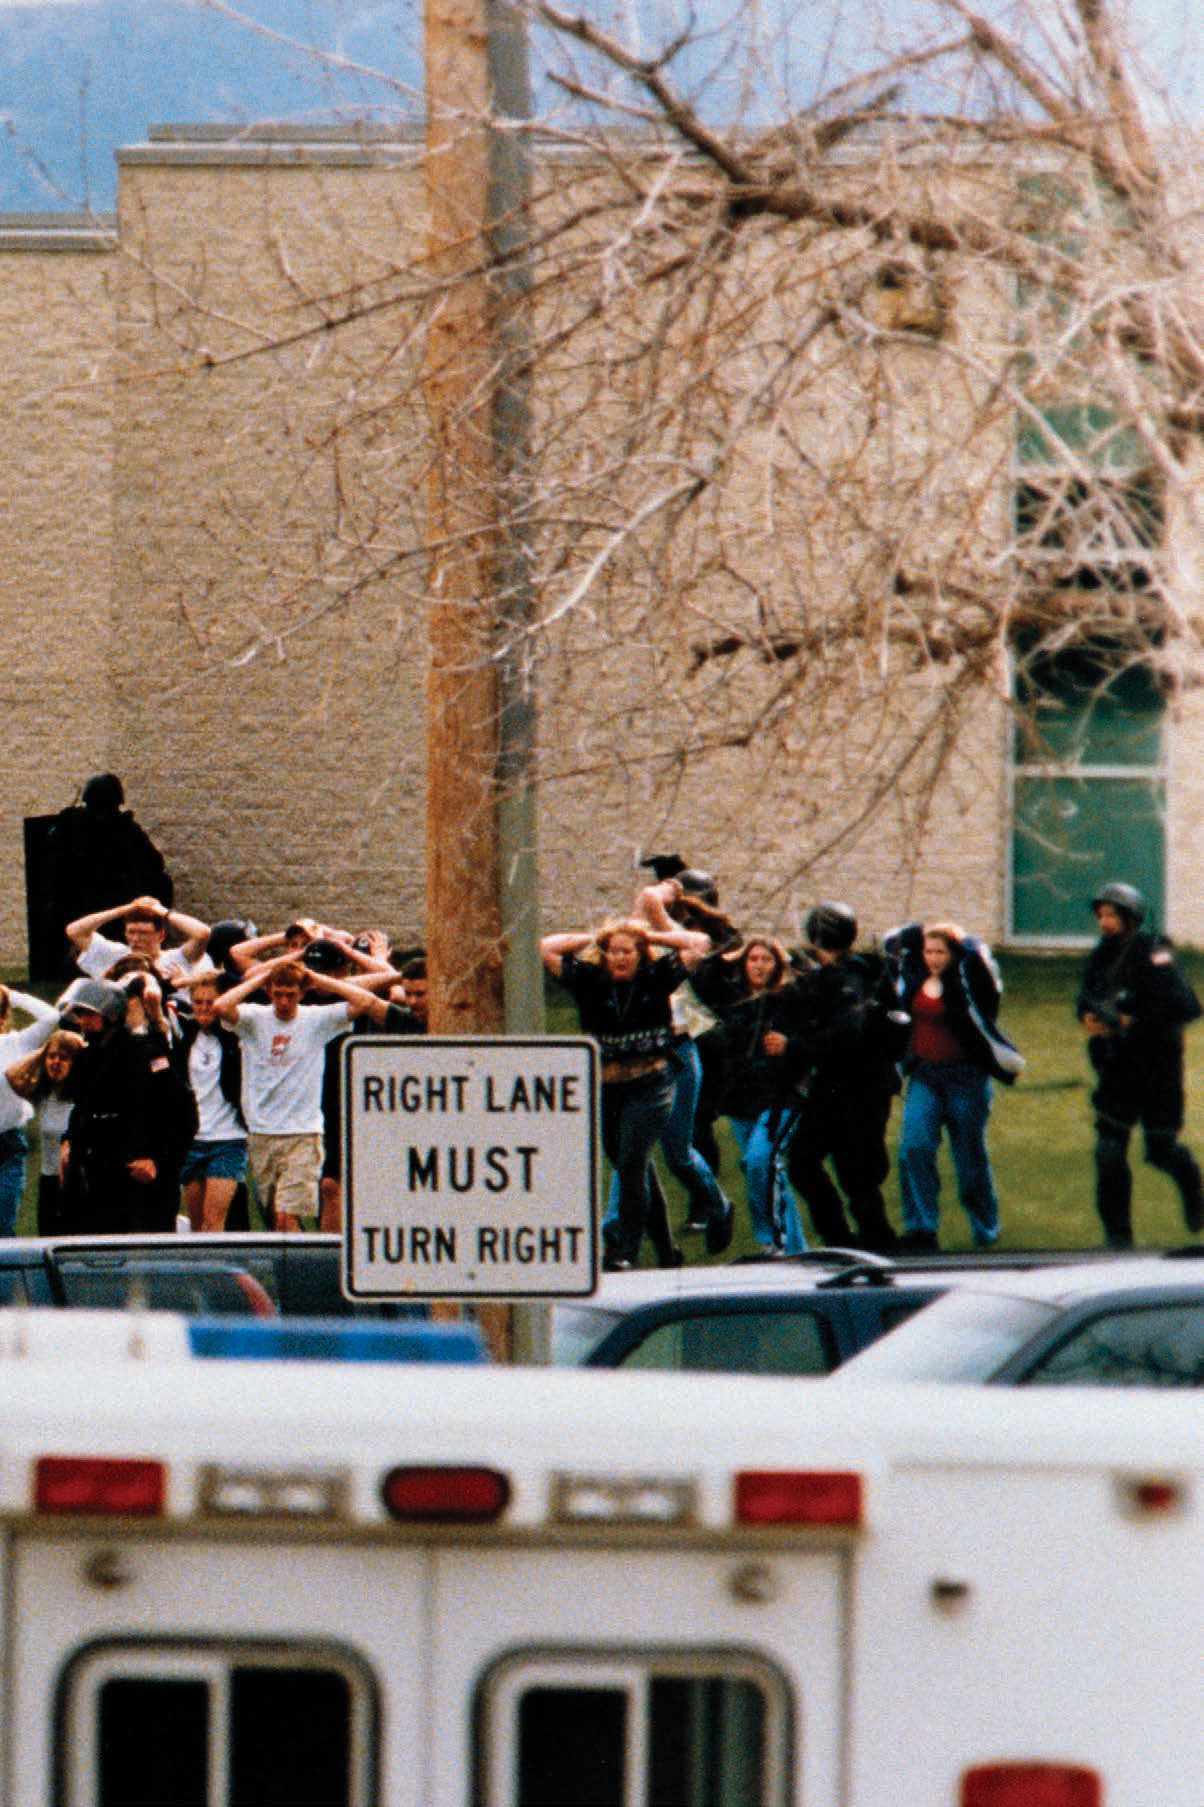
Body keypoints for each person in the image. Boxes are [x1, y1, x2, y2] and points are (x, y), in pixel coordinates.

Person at [541, 913, 710, 1270]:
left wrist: (650, 934)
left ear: (640, 954)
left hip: (652, 1084)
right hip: (609, 1087)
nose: (620, 958)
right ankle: (667, 1250)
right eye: (613, 951)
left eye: (628, 951)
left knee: (632, 1164)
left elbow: (699, 943)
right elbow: (546, 948)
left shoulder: (656, 976)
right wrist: (593, 936)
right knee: (633, 1166)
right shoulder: (590, 980)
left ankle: (624, 1252)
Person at [1077, 881, 1204, 1248]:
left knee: (1161, 1151)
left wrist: (1136, 1021)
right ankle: (1118, 1237)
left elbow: (1187, 1006)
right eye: (1100, 914)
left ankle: (1193, 1189)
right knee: (1109, 1153)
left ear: (1131, 916)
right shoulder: (1100, 956)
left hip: (1156, 1072)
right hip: (1116, 1072)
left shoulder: (1154, 952)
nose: (1104, 921)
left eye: (1112, 914)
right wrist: (1090, 1019)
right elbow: (1085, 1000)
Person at [885, 918, 1024, 1253]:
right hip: (926, 1077)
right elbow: (891, 951)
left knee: (969, 1157)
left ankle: (985, 1227)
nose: (933, 957)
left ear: (953, 954)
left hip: (966, 1079)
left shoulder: (968, 982)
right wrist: (909, 936)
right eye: (928, 951)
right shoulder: (914, 977)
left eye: (940, 952)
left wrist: (968, 948)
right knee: (914, 1149)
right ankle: (921, 1229)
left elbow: (989, 987)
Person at [215, 952, 377, 1231]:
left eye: (290, 994)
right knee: (273, 1221)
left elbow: (364, 1002)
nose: (283, 1002)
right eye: (277, 994)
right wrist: (260, 980)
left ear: (302, 993)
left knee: (286, 1216)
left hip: (303, 1132)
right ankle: (294, 1271)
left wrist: (319, 980)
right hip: (263, 1131)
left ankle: (303, 1270)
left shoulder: (316, 1019)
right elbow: (222, 1006)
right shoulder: (255, 1018)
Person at [778, 903, 903, 1255]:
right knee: (809, 1160)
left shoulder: (847, 978)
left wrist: (795, 1046)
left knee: (850, 1171)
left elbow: (846, 1032)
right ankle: (846, 1239)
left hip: (855, 1086)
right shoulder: (868, 971)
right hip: (853, 1083)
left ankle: (869, 1242)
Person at [714, 935, 807, 1257]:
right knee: (768, 1172)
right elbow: (705, 973)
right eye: (753, 959)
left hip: (780, 1096)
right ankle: (796, 1248)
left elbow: (810, 1031)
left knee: (759, 1162)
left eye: (766, 959)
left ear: (778, 965)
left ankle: (772, 1241)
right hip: (741, 1098)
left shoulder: (791, 999)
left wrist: (789, 1042)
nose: (759, 965)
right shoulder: (732, 999)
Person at [44, 774, 174, 974]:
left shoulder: (117, 829)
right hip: (90, 903)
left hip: (113, 903)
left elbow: (153, 866)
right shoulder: (81, 827)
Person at [178, 974, 248, 1232]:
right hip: (192, 1139)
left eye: (211, 1002)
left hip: (227, 1138)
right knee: (197, 1226)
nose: (204, 1008)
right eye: (198, 1002)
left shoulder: (236, 1034)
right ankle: (201, 1272)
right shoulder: (183, 1034)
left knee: (213, 1222)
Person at [6, 1029, 86, 1235]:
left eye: (64, 1058)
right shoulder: (43, 1095)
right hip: (49, 1180)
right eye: (52, 1057)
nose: (56, 1062)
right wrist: (43, 1051)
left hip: (78, 1182)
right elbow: (11, 1075)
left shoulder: (86, 1095)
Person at [0, 985, 64, 1235]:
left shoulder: (17, 1043)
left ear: (3, 1017)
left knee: (3, 1228)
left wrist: (12, 996)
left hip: (7, 1146)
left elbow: (51, 1017)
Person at [66, 894, 213, 991]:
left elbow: (202, 934)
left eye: (143, 933)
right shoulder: (115, 955)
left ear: (161, 936)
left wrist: (160, 911)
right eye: (131, 932)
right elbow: (74, 931)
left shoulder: (177, 958)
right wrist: (125, 909)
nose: (136, 939)